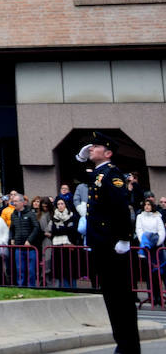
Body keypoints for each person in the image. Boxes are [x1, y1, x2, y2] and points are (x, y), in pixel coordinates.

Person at [76, 131, 139, 354]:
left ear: (108, 152)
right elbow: (84, 177)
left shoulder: (112, 175)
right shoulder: (99, 174)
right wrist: (83, 157)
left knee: (120, 297)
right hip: (101, 243)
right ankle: (122, 343)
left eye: (95, 146)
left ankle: (128, 346)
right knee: (111, 296)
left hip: (112, 244)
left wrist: (124, 238)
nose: (91, 148)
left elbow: (121, 208)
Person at [9, 194, 41, 286]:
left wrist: (29, 240)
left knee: (31, 270)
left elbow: (36, 227)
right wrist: (12, 238)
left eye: (16, 201)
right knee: (20, 270)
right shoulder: (13, 215)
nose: (14, 203)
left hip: (30, 247)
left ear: (22, 202)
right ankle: (21, 287)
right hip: (18, 246)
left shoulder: (30, 214)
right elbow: (11, 228)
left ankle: (32, 287)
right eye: (13, 201)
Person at [50, 196, 79, 288]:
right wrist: (65, 229)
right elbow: (54, 231)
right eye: (58, 204)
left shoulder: (72, 216)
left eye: (62, 203)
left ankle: (73, 288)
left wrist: (62, 229)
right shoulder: (54, 217)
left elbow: (73, 230)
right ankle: (63, 288)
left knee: (70, 269)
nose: (60, 206)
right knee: (60, 269)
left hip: (69, 244)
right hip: (57, 246)